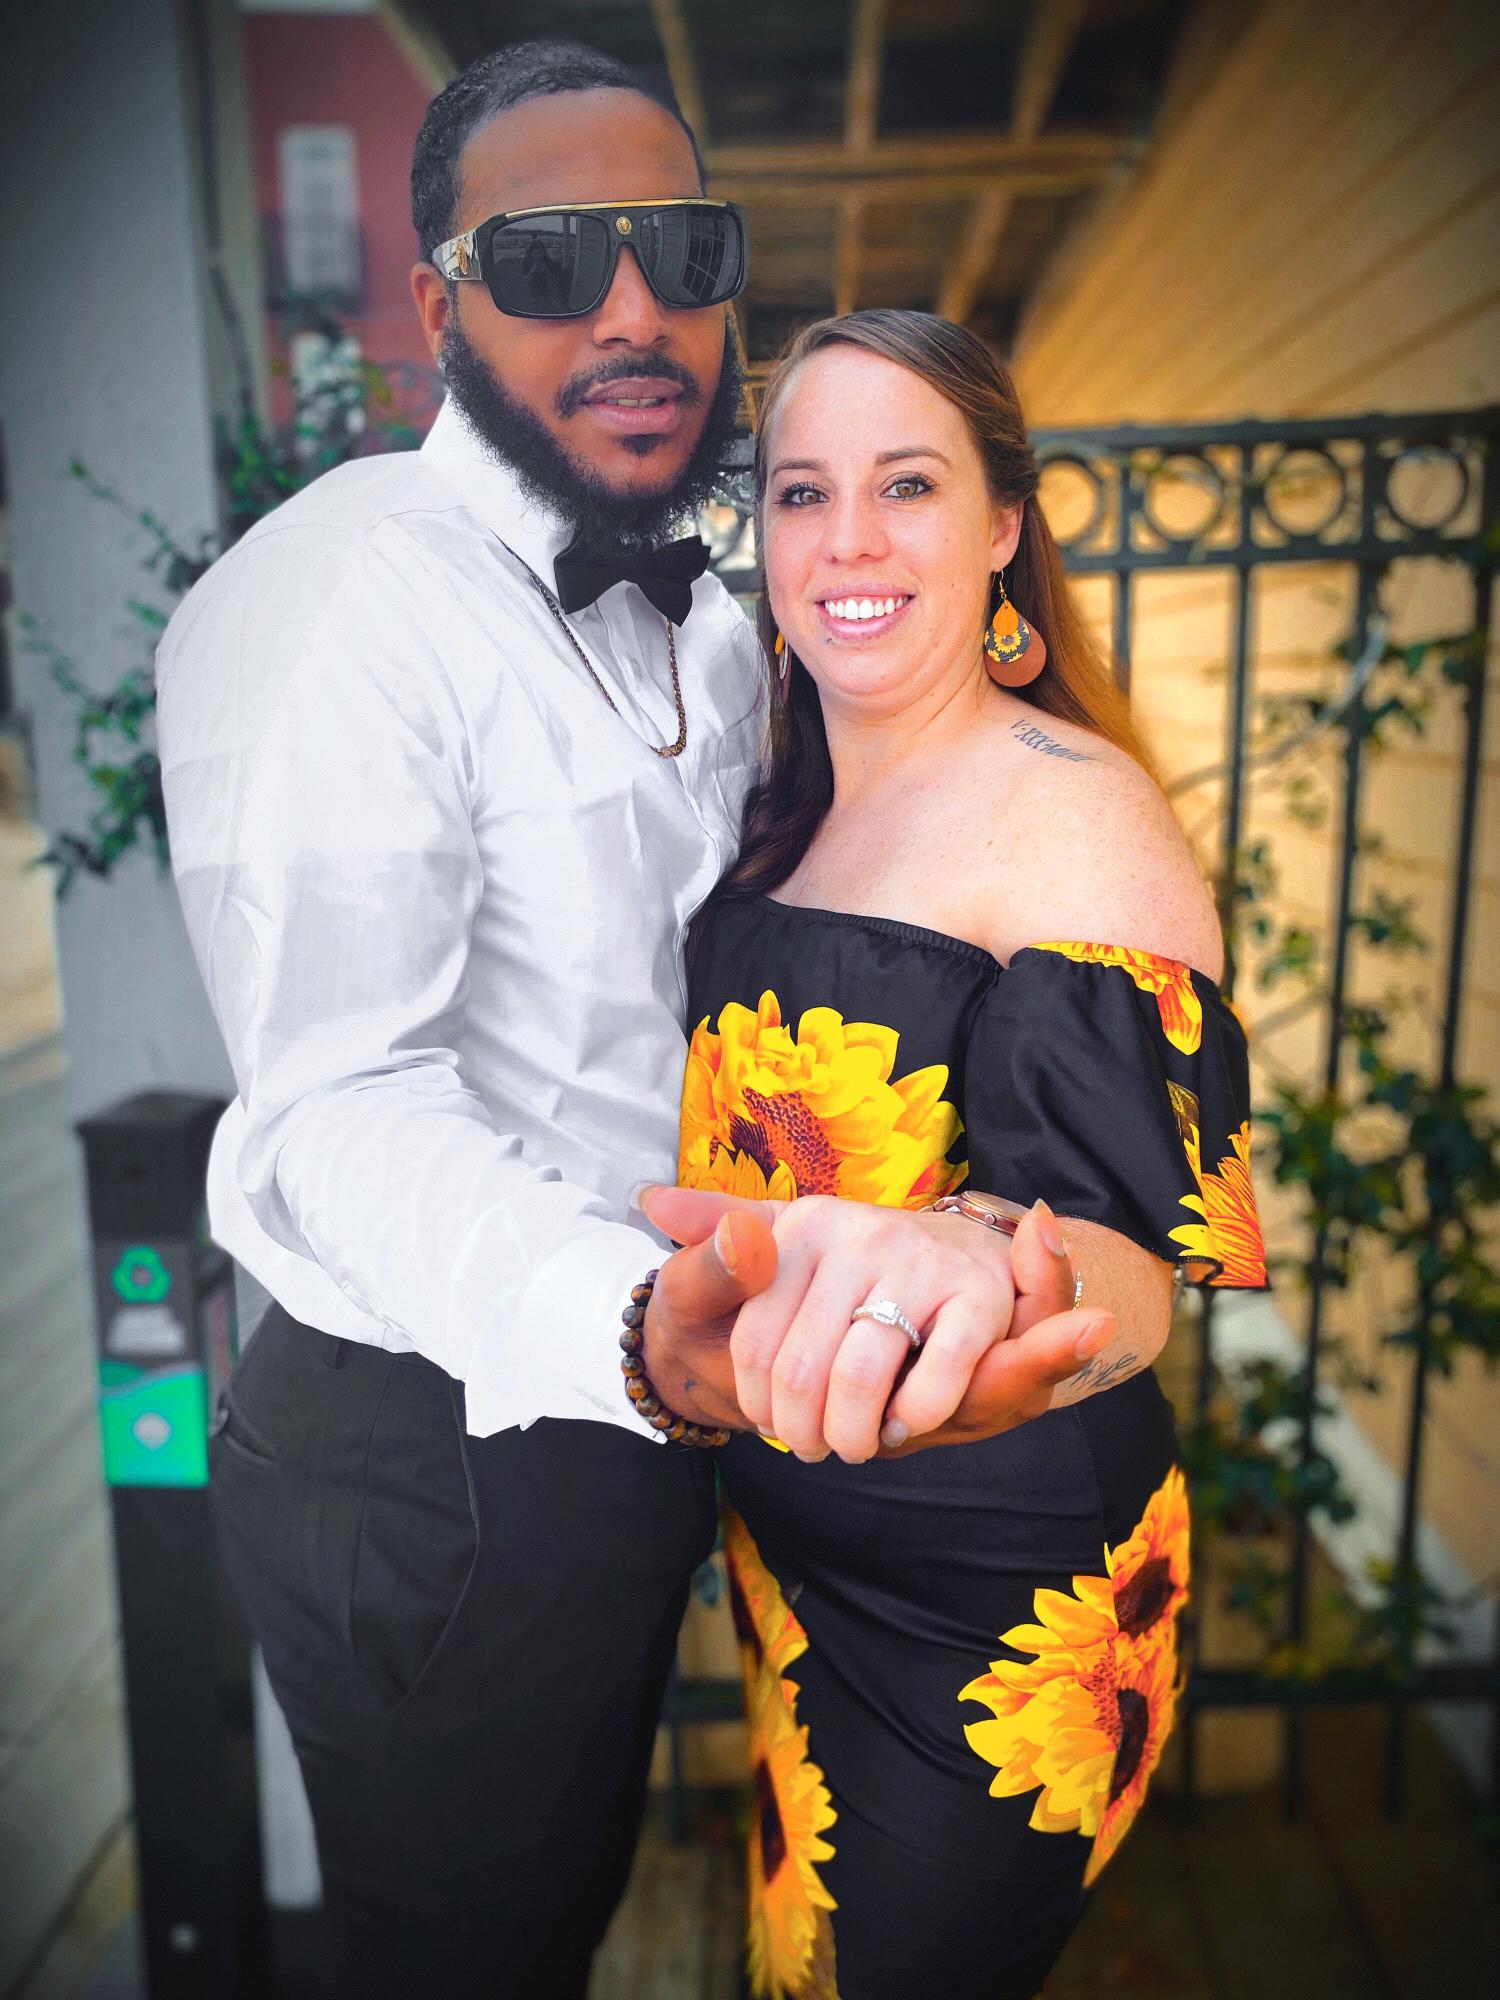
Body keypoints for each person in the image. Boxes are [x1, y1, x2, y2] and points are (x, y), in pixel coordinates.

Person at [155, 38, 1189, 2000]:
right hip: (453, 1432)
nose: (631, 310)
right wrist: (638, 1325)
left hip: (701, 1416)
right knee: (475, 1953)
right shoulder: (345, 603)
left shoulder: (723, 630)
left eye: (681, 251)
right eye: (551, 259)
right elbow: (335, 1101)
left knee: (611, 1905)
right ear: (434, 304)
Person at [638, 310, 1269, 1998]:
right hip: (790, 1554)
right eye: (802, 492)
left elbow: (1134, 1271)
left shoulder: (1072, 809)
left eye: (907, 485)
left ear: (1002, 527)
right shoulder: (783, 803)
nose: (846, 539)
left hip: (991, 1607)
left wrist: (973, 1246)